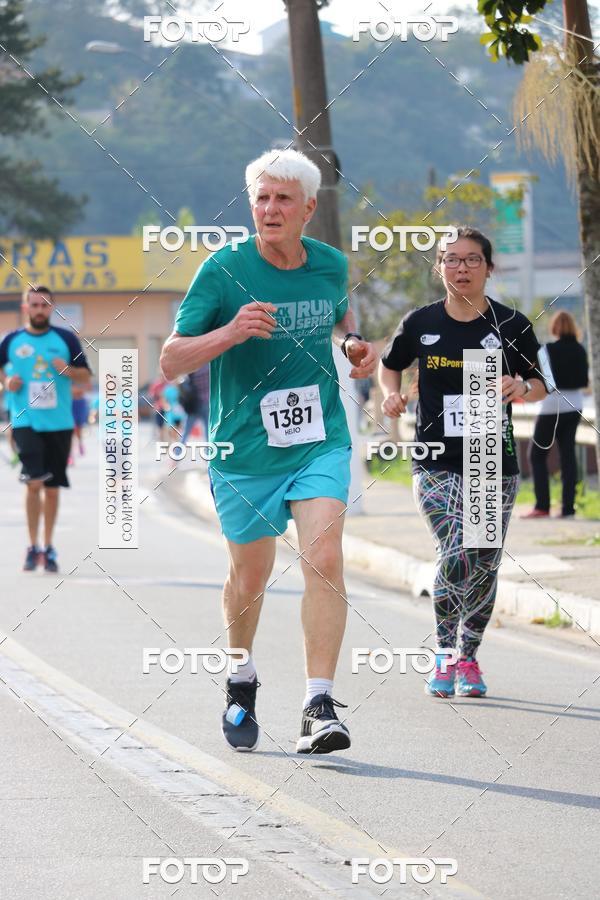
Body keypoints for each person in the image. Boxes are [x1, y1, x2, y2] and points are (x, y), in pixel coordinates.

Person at [161, 148, 376, 753]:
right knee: (249, 578)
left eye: (283, 198)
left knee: (325, 557)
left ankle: (319, 703)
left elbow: (339, 316)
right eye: (261, 197)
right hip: (244, 449)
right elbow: (170, 358)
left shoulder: (331, 265)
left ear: (308, 208)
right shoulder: (223, 270)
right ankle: (240, 674)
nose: (270, 208)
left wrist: (355, 343)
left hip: (318, 439)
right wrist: (230, 332)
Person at [378, 226, 546, 699]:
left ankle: (469, 657)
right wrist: (391, 395)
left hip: (492, 459)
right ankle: (444, 652)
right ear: (439, 268)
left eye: (472, 259)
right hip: (434, 459)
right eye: (451, 259)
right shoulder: (420, 322)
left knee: (486, 561)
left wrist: (520, 388)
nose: (462, 268)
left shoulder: (512, 326)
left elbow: (539, 383)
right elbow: (390, 364)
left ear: (489, 268)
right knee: (457, 549)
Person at [0, 286, 91, 572]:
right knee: (33, 481)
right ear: (26, 308)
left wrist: (68, 370)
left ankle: (48, 547)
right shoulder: (10, 341)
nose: (39, 309)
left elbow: (86, 378)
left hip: (59, 423)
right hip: (25, 420)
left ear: (52, 308)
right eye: (34, 305)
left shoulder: (66, 340)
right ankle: (32, 545)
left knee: (51, 489)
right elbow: (1, 374)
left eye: (44, 305)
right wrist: (6, 383)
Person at [523, 310, 589, 519]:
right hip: (576, 405)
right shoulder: (580, 349)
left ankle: (542, 505)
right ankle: (568, 508)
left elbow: (544, 382)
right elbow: (584, 381)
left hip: (552, 407)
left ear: (554, 327)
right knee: (567, 455)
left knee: (536, 455)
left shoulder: (547, 350)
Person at [180, 364, 210, 444]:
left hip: (193, 404)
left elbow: (183, 382)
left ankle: (177, 452)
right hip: (206, 402)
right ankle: (209, 454)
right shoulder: (208, 368)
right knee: (207, 430)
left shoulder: (192, 369)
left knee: (186, 430)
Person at [71, 382, 90, 461]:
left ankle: (80, 443)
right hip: (71, 405)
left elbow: (85, 389)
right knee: (71, 433)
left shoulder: (79, 376)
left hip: (79, 405)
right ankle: (70, 455)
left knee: (78, 430)